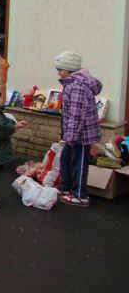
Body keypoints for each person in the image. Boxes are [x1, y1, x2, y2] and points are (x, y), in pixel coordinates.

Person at [54, 51, 102, 207]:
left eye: (60, 69)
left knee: (79, 164)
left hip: (81, 136)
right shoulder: (72, 84)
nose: (58, 73)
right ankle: (65, 187)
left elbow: (76, 114)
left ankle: (80, 195)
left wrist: (71, 136)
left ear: (69, 70)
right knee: (66, 159)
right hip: (73, 133)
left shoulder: (77, 87)